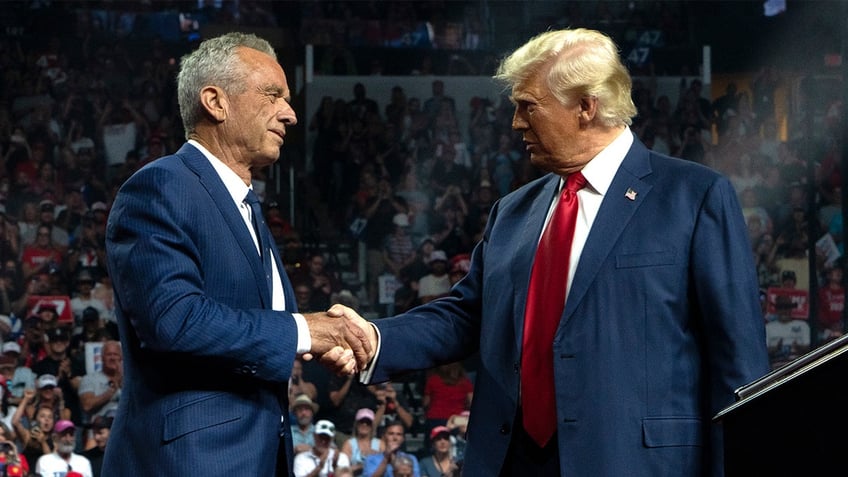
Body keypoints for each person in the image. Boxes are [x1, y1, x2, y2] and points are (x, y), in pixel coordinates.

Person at [342, 28, 769, 476]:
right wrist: (375, 340)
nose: (515, 123)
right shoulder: (513, 211)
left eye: (528, 106)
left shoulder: (694, 196)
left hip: (636, 463)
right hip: (513, 462)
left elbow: (739, 367)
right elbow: (468, 315)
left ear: (586, 106)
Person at [101, 32, 371, 477]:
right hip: (188, 462)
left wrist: (315, 345)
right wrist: (304, 331)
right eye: (273, 95)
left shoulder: (245, 205)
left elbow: (253, 333)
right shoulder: (162, 186)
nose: (290, 113)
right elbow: (175, 320)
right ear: (215, 101)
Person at [341, 407, 383, 475]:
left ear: (372, 425)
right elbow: (342, 470)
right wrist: (362, 466)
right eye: (361, 422)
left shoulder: (380, 444)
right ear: (357, 424)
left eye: (368, 423)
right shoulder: (349, 444)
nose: (364, 425)